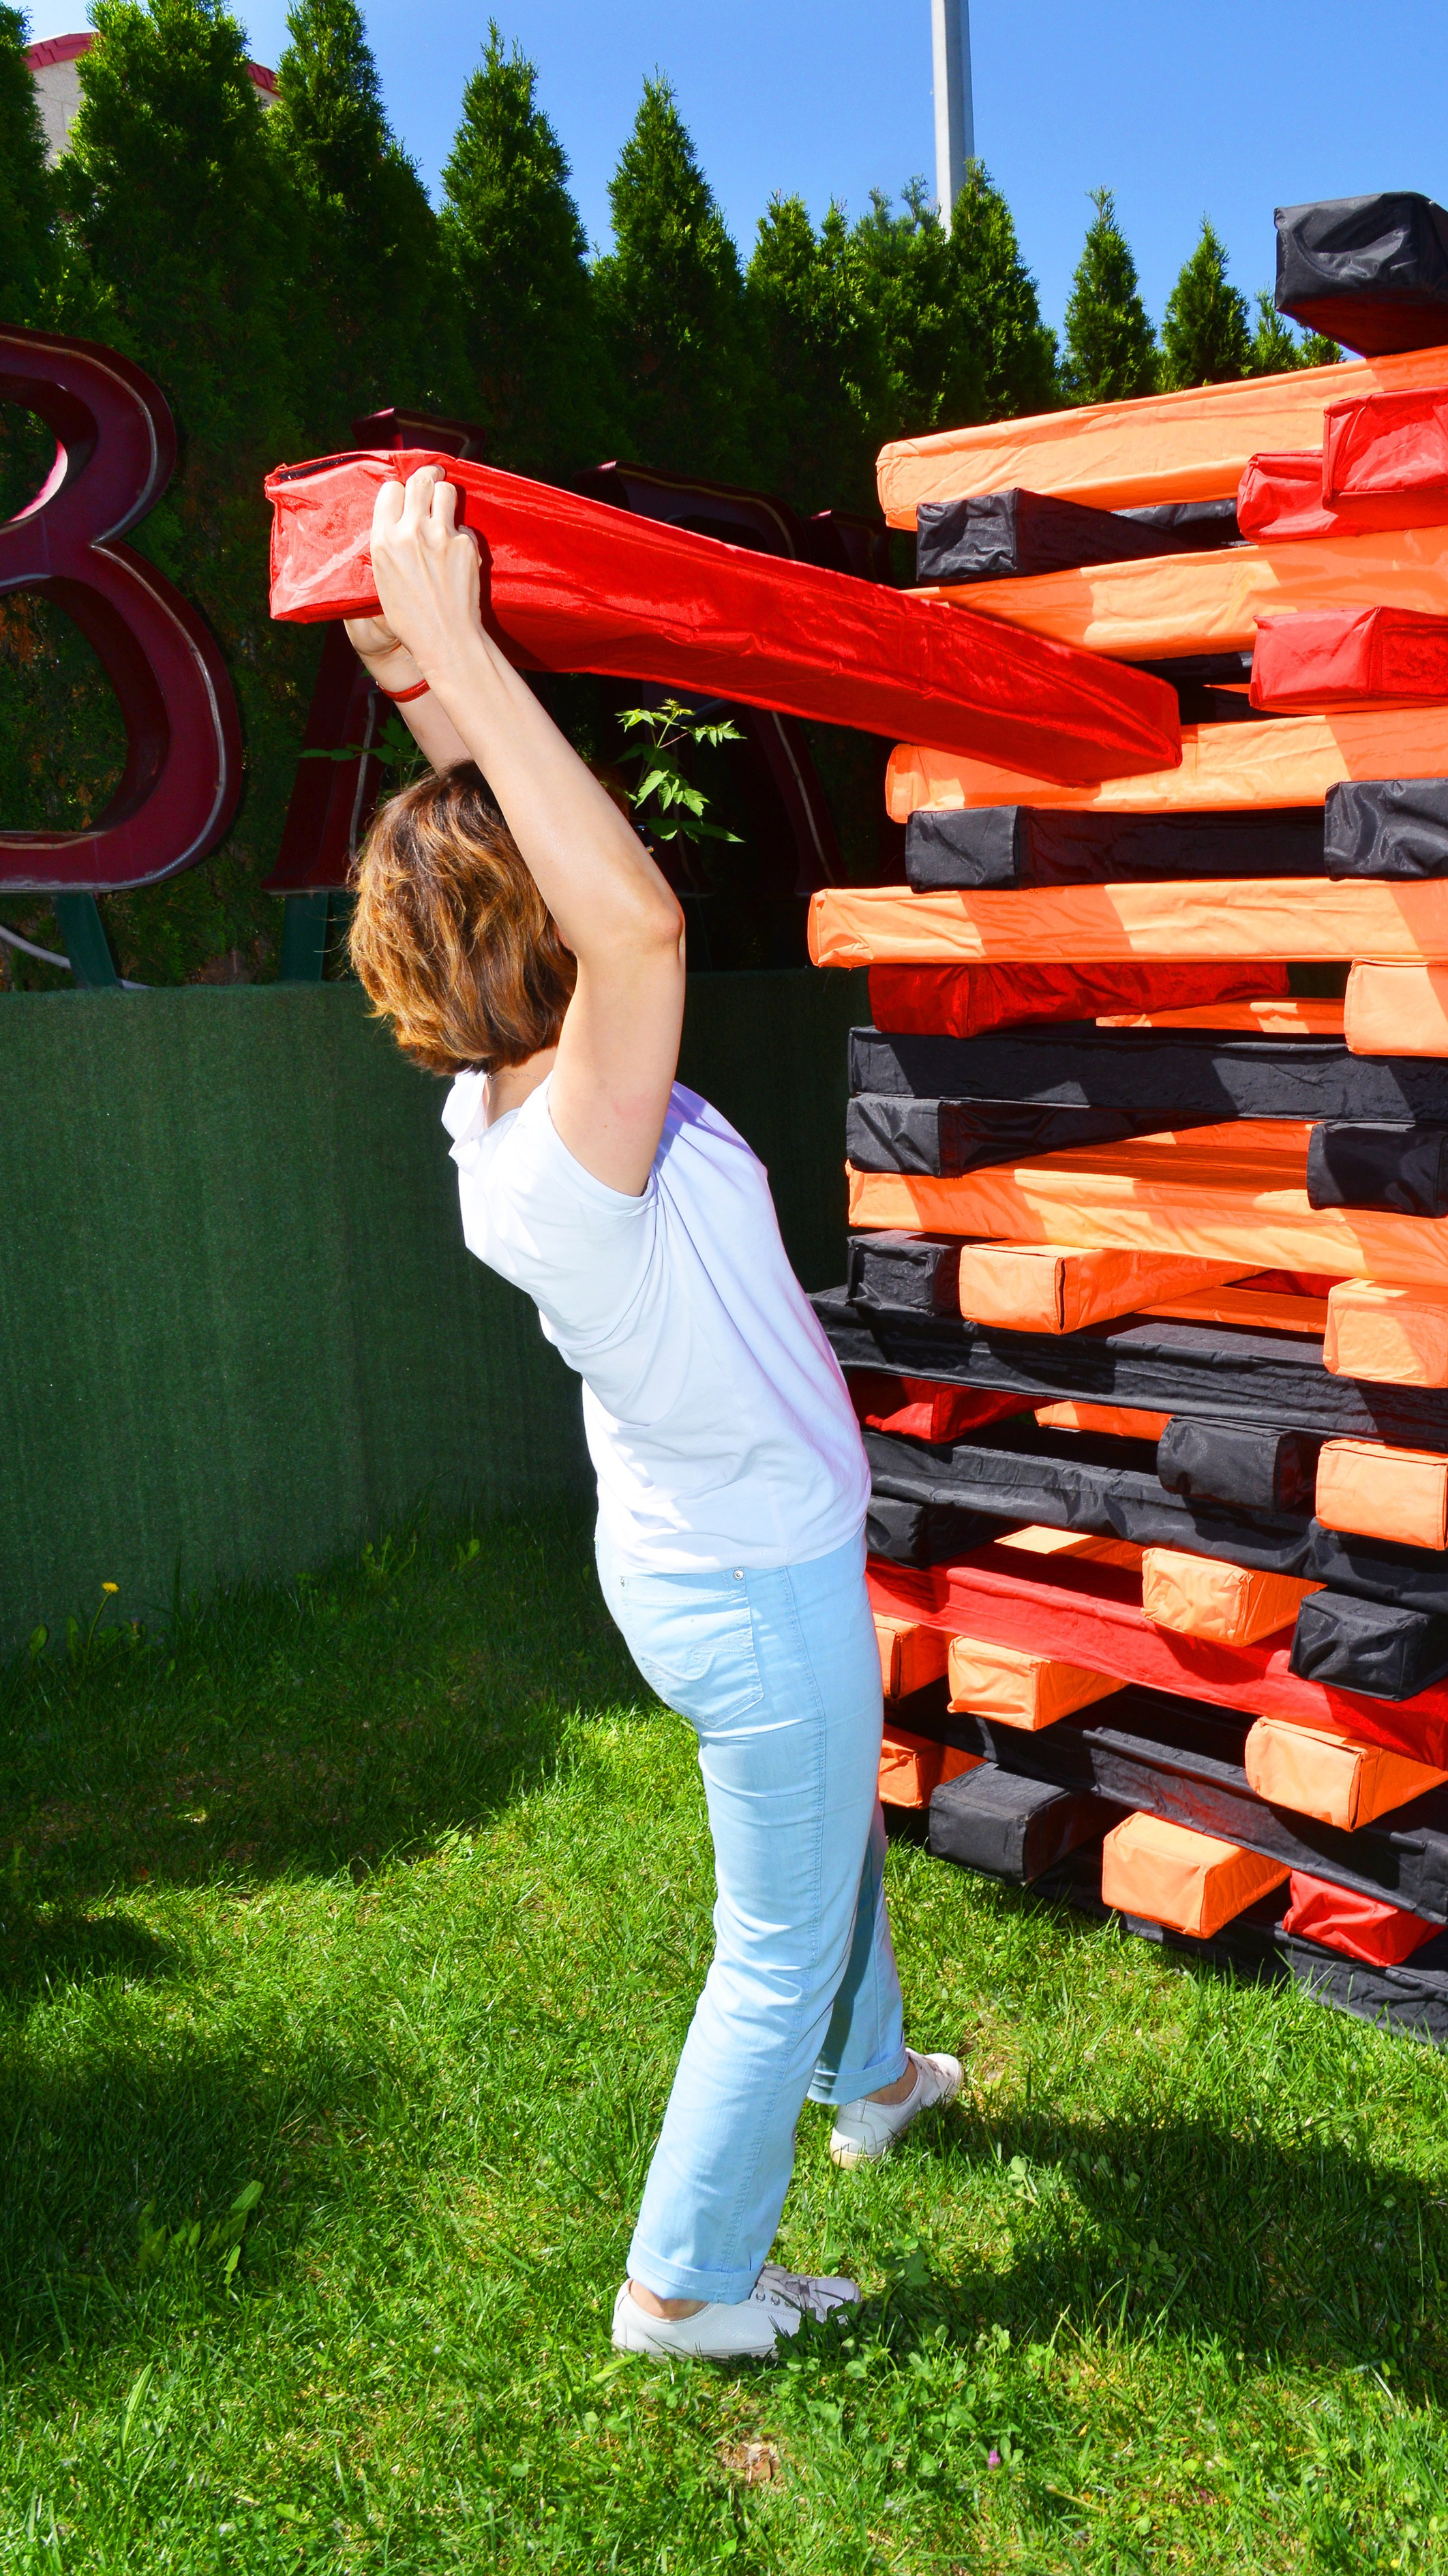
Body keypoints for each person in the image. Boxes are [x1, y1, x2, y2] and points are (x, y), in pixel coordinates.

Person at [340, 466, 961, 2363]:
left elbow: (535, 868)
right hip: (754, 1585)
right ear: (532, 932)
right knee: (764, 1945)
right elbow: (642, 927)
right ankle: (685, 2282)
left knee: (814, 1840)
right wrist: (445, 643)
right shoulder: (577, 1135)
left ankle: (875, 2085)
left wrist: (429, 672)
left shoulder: (504, 1111)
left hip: (704, 1552)